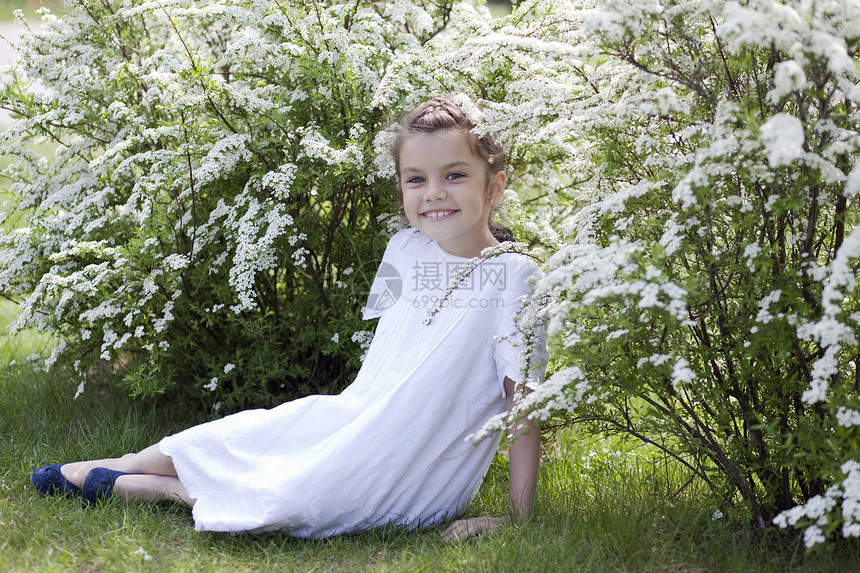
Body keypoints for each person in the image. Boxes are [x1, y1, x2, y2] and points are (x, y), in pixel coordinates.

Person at [30, 95, 546, 542]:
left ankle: (164, 490)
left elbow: (522, 402)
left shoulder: (515, 276)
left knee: (300, 500)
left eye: (454, 175)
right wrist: (342, 427)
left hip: (412, 466)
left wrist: (516, 517)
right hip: (357, 418)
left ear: (493, 186)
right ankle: (125, 467)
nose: (433, 192)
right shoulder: (405, 249)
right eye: (416, 179)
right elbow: (391, 355)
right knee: (254, 436)